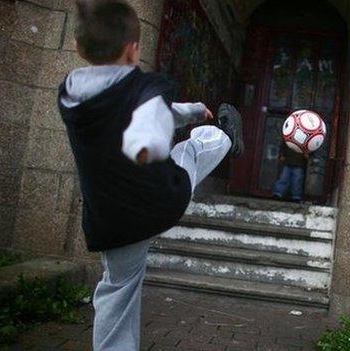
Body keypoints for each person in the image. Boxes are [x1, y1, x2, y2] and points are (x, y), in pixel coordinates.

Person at [57, 1, 243, 350]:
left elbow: (151, 111)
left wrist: (188, 111)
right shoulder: (146, 92)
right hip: (157, 201)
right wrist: (151, 142)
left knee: (117, 289)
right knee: (190, 151)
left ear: (79, 49)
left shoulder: (69, 97)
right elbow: (152, 121)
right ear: (133, 49)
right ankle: (227, 137)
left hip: (110, 223)